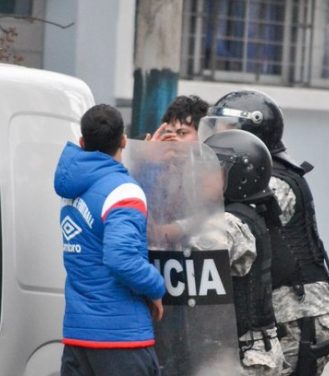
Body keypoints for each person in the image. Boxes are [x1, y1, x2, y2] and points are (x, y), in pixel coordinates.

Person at [205, 90, 329, 376]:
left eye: (225, 128)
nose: (217, 134)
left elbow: (218, 223)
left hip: (298, 313)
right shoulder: (260, 174)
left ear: (251, 130)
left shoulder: (273, 183)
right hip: (282, 311)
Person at [145, 97, 285, 375]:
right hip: (242, 350)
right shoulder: (244, 211)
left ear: (236, 176)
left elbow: (176, 263)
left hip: (241, 358)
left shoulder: (226, 225)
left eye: (209, 169)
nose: (200, 175)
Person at [54, 104, 166, 376]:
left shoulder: (75, 188)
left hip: (78, 340)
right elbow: (120, 257)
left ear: (82, 142)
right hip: (121, 340)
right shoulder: (123, 191)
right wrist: (156, 287)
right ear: (124, 140)